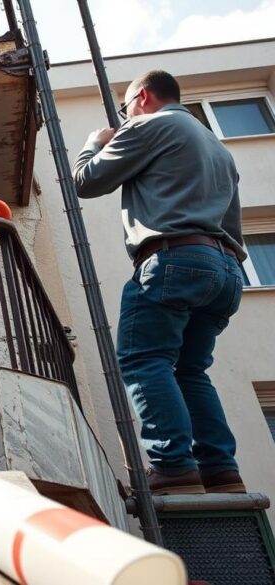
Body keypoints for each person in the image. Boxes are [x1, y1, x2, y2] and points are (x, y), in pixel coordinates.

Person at [72, 70, 246, 495]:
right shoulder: (217, 148)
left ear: (143, 97)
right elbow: (233, 223)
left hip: (174, 258)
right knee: (190, 370)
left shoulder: (151, 124)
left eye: (125, 108)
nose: (124, 117)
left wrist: (97, 140)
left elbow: (86, 181)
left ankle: (172, 465)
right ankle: (221, 470)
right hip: (225, 269)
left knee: (142, 359)